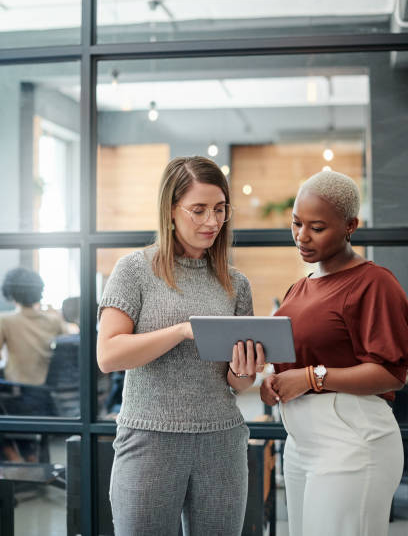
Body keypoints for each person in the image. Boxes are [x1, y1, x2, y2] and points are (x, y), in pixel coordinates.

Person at [97, 156, 265, 536]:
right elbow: (108, 355)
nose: (211, 221)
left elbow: (238, 384)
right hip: (149, 440)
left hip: (222, 441)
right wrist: (182, 331)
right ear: (170, 211)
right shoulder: (135, 270)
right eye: (199, 210)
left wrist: (244, 369)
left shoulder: (235, 283)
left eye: (220, 210)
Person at [260, 170, 408, 536]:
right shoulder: (300, 288)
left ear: (350, 226)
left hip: (352, 442)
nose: (302, 236)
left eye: (317, 227)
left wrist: (311, 377)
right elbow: (292, 362)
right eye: (296, 223)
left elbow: (392, 373)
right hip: (300, 443)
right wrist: (273, 383)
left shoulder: (374, 283)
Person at [0, 267, 66, 460]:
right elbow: (70, 344)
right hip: (47, 396)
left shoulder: (5, 320)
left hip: (18, 395)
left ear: (10, 293)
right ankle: (30, 457)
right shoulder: (54, 321)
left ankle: (14, 457)